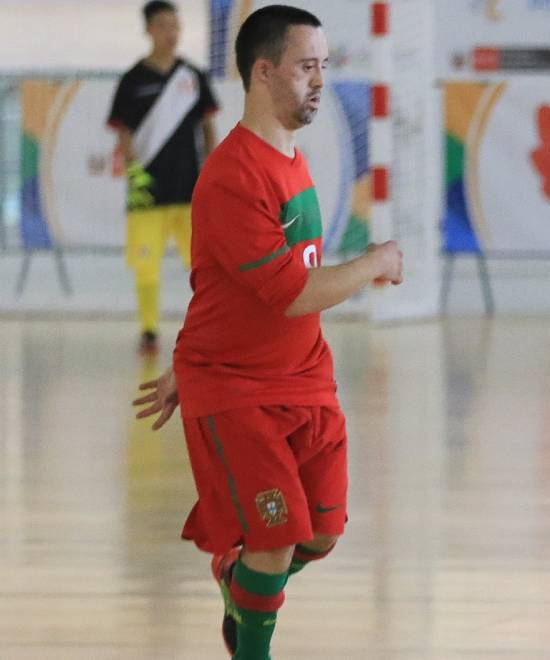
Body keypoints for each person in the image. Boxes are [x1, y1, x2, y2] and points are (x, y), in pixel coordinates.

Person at [131, 6, 404, 659]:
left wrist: (188, 357)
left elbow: (228, 285)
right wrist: (377, 261)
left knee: (320, 535)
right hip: (238, 391)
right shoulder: (232, 175)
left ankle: (238, 578)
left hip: (305, 379)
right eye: (306, 67)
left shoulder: (292, 158)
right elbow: (289, 292)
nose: (320, 81)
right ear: (262, 72)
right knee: (276, 539)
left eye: (324, 68)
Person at [107, 1, 219, 355]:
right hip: (147, 194)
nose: (173, 32)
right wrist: (134, 173)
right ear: (149, 30)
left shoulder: (193, 76)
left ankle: (209, 328)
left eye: (176, 25)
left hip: (190, 190)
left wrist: (214, 171)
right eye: (165, 25)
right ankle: (149, 330)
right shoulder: (132, 80)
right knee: (145, 264)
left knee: (201, 266)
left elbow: (208, 126)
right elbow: (122, 133)